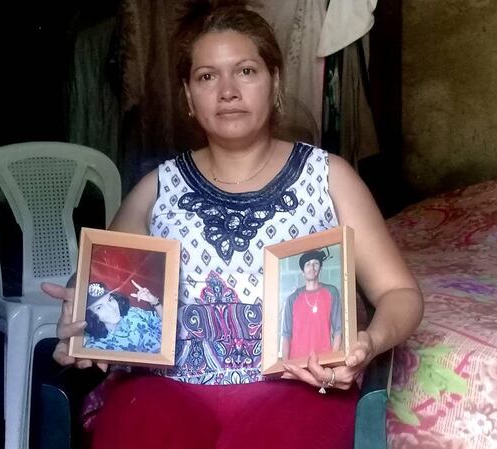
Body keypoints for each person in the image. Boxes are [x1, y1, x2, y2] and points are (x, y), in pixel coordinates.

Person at [40, 2, 423, 448]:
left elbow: (400, 294)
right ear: (187, 95)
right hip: (164, 391)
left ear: (274, 82)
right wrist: (79, 313)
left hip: (300, 389)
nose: (227, 91)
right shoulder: (155, 189)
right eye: (206, 76)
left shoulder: (329, 177)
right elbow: (101, 281)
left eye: (245, 71)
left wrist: (369, 342)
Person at [281, 250, 342, 360]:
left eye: (316, 263)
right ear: (303, 271)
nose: (312, 267)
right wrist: (285, 365)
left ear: (321, 269)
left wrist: (332, 359)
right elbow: (286, 335)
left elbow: (338, 329)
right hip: (297, 361)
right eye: (308, 264)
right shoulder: (293, 298)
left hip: (323, 359)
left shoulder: (332, 292)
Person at [83, 280, 162, 353]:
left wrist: (154, 301)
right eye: (99, 307)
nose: (111, 308)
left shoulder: (133, 313)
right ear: (90, 315)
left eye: (110, 300)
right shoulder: (97, 347)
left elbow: (166, 324)